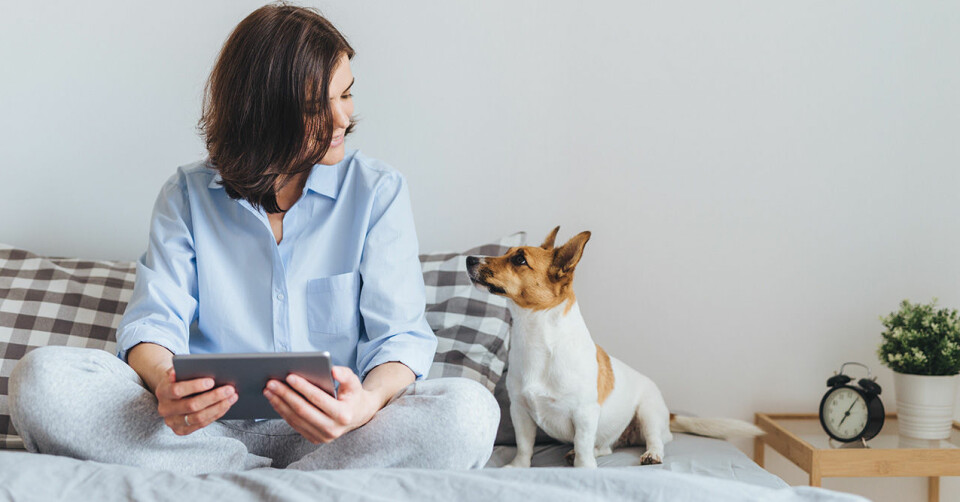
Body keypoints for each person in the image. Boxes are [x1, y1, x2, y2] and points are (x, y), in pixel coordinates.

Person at [8, 3, 499, 475]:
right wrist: (165, 384)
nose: (343, 119)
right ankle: (277, 482)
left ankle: (232, 483)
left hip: (337, 436)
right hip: (201, 434)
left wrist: (364, 404)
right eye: (316, 106)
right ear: (262, 112)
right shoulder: (187, 195)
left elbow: (400, 337)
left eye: (346, 95)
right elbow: (154, 323)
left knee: (469, 413)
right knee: (41, 382)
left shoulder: (377, 192)